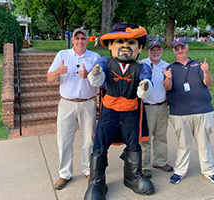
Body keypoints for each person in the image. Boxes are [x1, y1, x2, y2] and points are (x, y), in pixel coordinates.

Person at [84, 23, 154, 200]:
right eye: (120, 41)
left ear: (139, 48)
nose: (125, 46)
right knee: (100, 144)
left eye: (131, 43)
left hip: (131, 111)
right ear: (110, 46)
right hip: (109, 111)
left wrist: (145, 86)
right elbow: (97, 80)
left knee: (133, 144)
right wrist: (95, 73)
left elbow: (146, 83)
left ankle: (133, 177)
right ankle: (96, 182)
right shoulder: (104, 62)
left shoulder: (142, 67)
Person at [163, 38, 214, 185]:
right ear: (174, 51)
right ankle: (180, 171)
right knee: (183, 144)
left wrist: (206, 72)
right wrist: (167, 79)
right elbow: (167, 87)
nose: (180, 51)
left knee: (204, 144)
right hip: (180, 113)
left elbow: (208, 83)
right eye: (177, 49)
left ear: (187, 48)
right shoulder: (170, 68)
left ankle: (209, 171)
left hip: (202, 111)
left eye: (182, 48)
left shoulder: (198, 65)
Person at [47, 28, 101, 190]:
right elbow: (49, 78)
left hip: (88, 103)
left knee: (89, 140)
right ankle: (64, 174)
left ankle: (88, 170)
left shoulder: (95, 57)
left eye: (83, 38)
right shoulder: (62, 55)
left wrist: (89, 76)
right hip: (67, 103)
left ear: (87, 40)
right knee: (64, 139)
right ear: (72, 40)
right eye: (77, 38)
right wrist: (58, 71)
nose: (80, 41)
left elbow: (99, 81)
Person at [139, 41, 173, 179]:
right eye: (153, 50)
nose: (156, 52)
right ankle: (144, 166)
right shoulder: (142, 64)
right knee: (145, 139)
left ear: (162, 51)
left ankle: (160, 161)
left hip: (162, 106)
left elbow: (169, 87)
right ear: (148, 51)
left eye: (158, 49)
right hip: (147, 106)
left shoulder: (166, 66)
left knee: (161, 136)